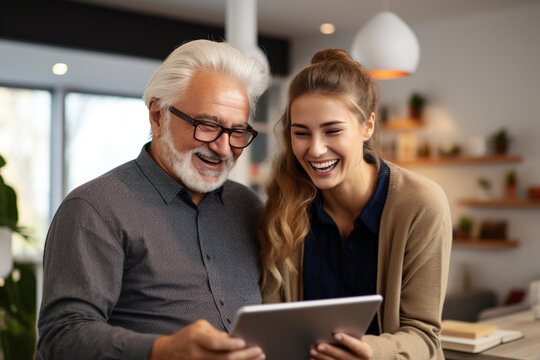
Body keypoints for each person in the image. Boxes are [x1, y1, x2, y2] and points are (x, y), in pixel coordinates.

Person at [37, 39, 270, 360]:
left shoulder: (248, 207)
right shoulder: (94, 208)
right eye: (207, 126)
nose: (224, 148)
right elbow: (60, 336)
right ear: (158, 116)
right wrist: (162, 350)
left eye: (237, 132)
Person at [259, 48, 452, 359]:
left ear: (367, 126)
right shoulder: (283, 206)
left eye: (333, 130)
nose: (316, 149)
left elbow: (425, 337)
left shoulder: (420, 204)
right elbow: (273, 325)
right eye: (301, 133)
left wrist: (370, 352)